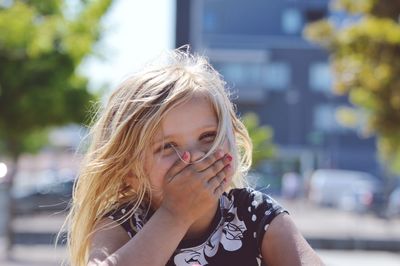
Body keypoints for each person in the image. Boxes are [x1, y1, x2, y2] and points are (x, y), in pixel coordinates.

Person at [64, 47, 324, 266]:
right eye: (168, 146)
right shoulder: (122, 224)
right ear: (131, 172)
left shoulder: (253, 215)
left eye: (208, 137)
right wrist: (175, 215)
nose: (195, 157)